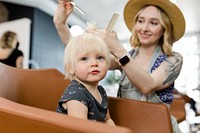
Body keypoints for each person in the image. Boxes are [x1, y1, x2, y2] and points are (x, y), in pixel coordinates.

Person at [53, 0, 185, 132]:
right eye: (140, 21)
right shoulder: (125, 58)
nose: (144, 28)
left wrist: (116, 48)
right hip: (126, 127)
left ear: (164, 29)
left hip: (158, 128)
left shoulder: (173, 59)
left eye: (154, 23)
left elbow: (148, 85)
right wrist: (61, 24)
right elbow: (80, 55)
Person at [56, 30, 115, 126]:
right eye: (84, 59)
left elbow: (107, 120)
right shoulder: (77, 95)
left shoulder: (101, 91)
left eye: (100, 57)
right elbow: (80, 129)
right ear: (71, 68)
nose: (94, 63)